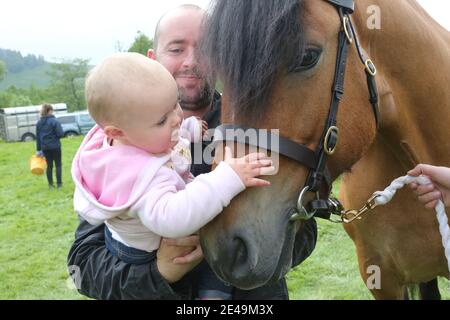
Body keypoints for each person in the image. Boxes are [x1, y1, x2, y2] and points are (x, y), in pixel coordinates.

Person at [67, 4, 318, 300]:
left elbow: (303, 230)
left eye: (206, 48)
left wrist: (231, 251)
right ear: (152, 59)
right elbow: (81, 264)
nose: (192, 61)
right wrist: (160, 273)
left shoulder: (258, 128)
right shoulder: (119, 151)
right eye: (176, 49)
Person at [73, 52, 274, 300]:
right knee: (207, 258)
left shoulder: (139, 129)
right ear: (117, 132)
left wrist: (186, 128)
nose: (177, 118)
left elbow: (161, 130)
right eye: (163, 119)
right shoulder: (135, 173)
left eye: (176, 105)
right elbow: (172, 218)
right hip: (142, 257)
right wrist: (227, 178)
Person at [36, 103, 64, 188]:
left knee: (49, 166)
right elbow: (60, 134)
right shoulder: (54, 121)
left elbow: (37, 137)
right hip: (55, 146)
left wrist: (38, 149)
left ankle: (50, 184)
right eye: (52, 111)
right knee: (58, 165)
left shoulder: (39, 123)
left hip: (45, 147)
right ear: (49, 111)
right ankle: (59, 184)